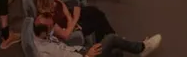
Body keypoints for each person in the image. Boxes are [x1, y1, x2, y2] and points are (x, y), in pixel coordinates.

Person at [31, 21, 161, 57]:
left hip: (80, 51)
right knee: (111, 39)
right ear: (43, 32)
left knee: (116, 53)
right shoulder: (44, 52)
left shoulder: (40, 35)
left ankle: (139, 50)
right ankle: (142, 47)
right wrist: (88, 55)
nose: (53, 29)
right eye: (51, 27)